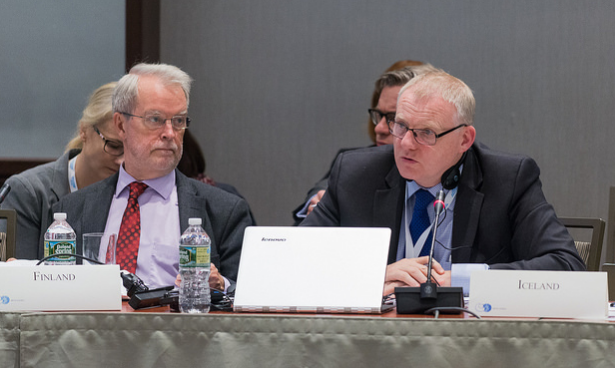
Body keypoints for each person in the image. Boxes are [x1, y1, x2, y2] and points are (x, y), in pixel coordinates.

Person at [301, 71, 585, 295]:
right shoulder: (356, 173)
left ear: (465, 139)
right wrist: (374, 274)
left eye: (425, 133)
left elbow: (567, 266)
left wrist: (463, 279)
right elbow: (290, 260)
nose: (406, 144)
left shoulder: (508, 179)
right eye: (399, 126)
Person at [53, 63, 253, 291]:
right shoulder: (72, 212)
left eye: (178, 121)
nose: (169, 133)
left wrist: (221, 284)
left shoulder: (224, 212)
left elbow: (251, 298)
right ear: (121, 125)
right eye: (155, 119)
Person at [292, 61, 437, 224]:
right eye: (378, 115)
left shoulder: (461, 167)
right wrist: (325, 199)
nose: (379, 129)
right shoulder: (353, 164)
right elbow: (324, 189)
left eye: (393, 118)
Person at [1, 82, 123, 259]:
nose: (123, 160)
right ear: (84, 131)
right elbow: (17, 278)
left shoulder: (137, 192)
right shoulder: (28, 192)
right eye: (113, 145)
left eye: (131, 149)